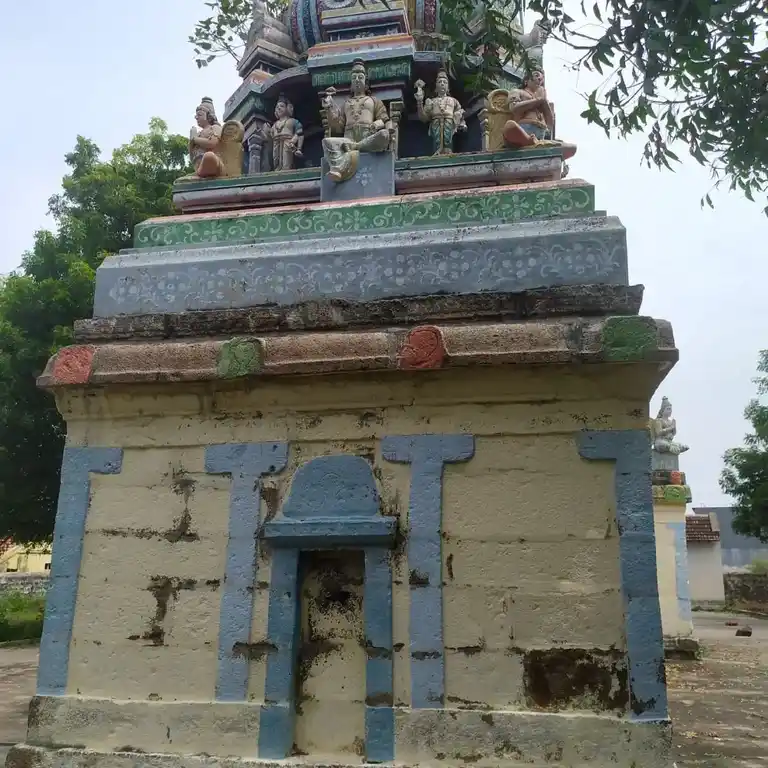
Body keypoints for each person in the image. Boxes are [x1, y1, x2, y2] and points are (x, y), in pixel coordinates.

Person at [320, 59, 392, 183]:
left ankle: (357, 147)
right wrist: (329, 108)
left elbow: (385, 120)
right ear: (351, 83)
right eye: (354, 78)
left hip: (368, 137)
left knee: (384, 135)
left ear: (366, 81)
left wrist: (377, 124)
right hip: (348, 138)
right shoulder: (346, 104)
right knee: (327, 142)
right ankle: (337, 168)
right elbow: (338, 127)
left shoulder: (374, 101)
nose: (357, 80)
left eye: (360, 77)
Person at [415, 70, 466, 155]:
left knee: (448, 145)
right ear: (436, 86)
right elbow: (423, 118)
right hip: (436, 126)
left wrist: (462, 122)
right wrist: (419, 102)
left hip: (450, 126)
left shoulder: (453, 101)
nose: (442, 84)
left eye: (445, 82)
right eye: (439, 82)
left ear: (448, 86)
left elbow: (460, 113)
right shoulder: (431, 101)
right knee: (436, 144)